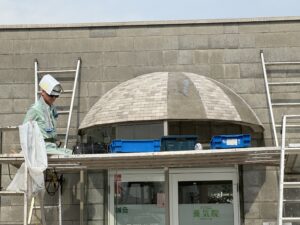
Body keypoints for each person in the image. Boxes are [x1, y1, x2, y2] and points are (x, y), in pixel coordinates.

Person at [24, 74, 72, 155]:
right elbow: (24, 130)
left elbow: (50, 130)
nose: (53, 98)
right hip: (41, 147)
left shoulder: (51, 109)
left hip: (51, 146)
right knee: (67, 156)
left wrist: (55, 139)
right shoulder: (35, 109)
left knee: (71, 152)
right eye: (51, 95)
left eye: (56, 96)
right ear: (43, 92)